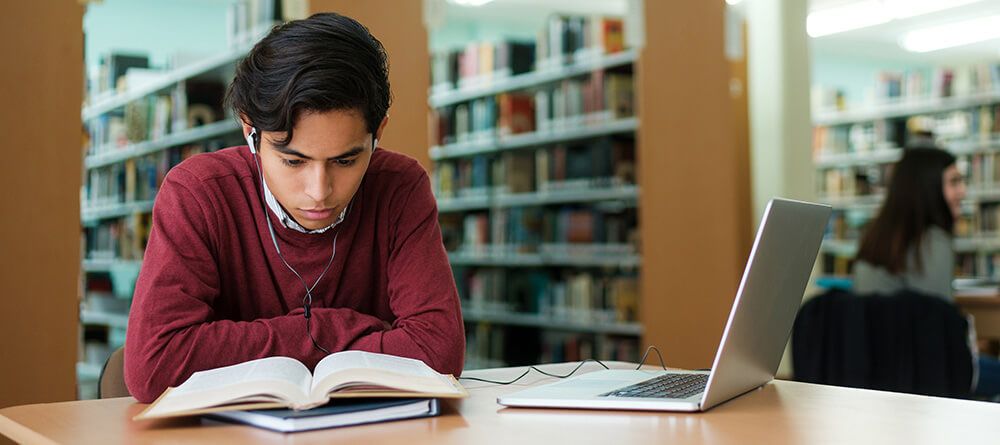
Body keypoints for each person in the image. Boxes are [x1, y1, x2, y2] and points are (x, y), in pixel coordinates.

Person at [124, 13, 465, 403]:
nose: (319, 191)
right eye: (293, 161)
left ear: (378, 134)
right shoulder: (198, 193)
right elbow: (154, 365)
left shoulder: (400, 187)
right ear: (250, 131)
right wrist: (330, 331)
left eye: (345, 160)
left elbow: (439, 352)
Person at [853, 145, 1000, 398]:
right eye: (954, 182)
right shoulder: (933, 242)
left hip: (878, 372)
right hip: (923, 375)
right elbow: (940, 333)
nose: (962, 191)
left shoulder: (874, 238)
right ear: (927, 188)